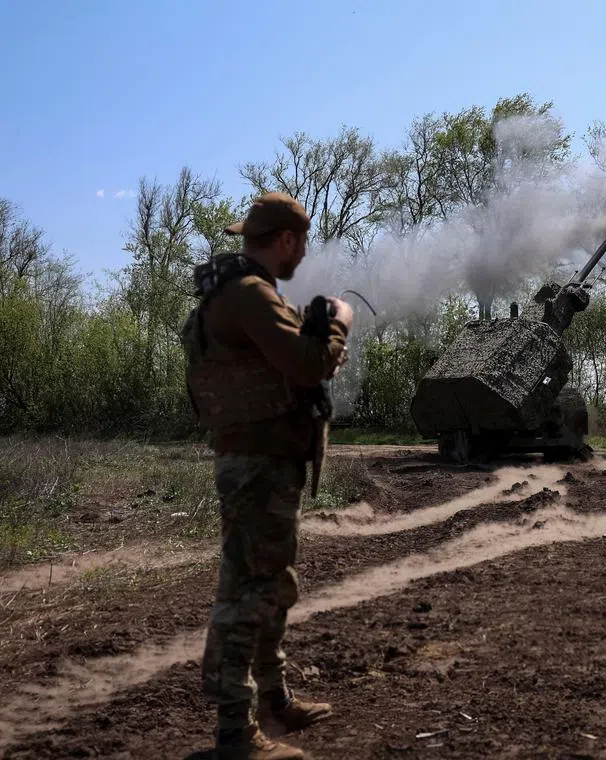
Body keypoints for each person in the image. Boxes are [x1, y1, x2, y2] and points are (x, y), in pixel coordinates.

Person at [180, 192, 355, 759]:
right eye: (300, 245)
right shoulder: (251, 294)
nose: (301, 257)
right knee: (250, 591)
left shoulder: (232, 296)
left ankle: (274, 699)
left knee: (272, 583)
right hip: (259, 465)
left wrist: (309, 330)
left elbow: (277, 359)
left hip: (259, 461)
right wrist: (338, 328)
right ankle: (236, 732)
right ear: (286, 240)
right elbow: (305, 364)